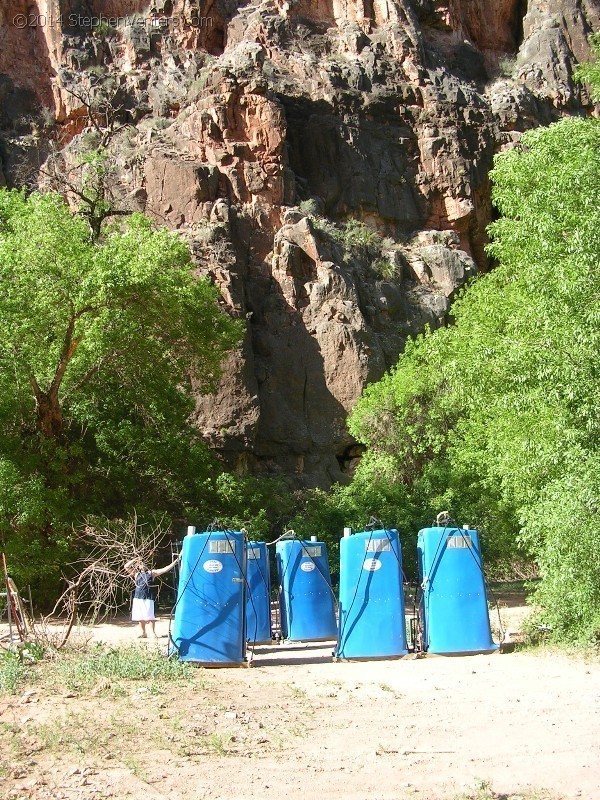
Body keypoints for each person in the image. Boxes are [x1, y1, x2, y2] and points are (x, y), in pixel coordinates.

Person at [124, 555, 179, 638]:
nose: (142, 565)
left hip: (148, 597)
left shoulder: (151, 573)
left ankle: (152, 633)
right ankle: (143, 633)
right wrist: (135, 559)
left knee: (150, 616)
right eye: (140, 564)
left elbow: (165, 569)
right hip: (138, 597)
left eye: (144, 563)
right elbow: (126, 566)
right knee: (140, 616)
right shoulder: (136, 574)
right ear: (138, 566)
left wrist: (175, 562)